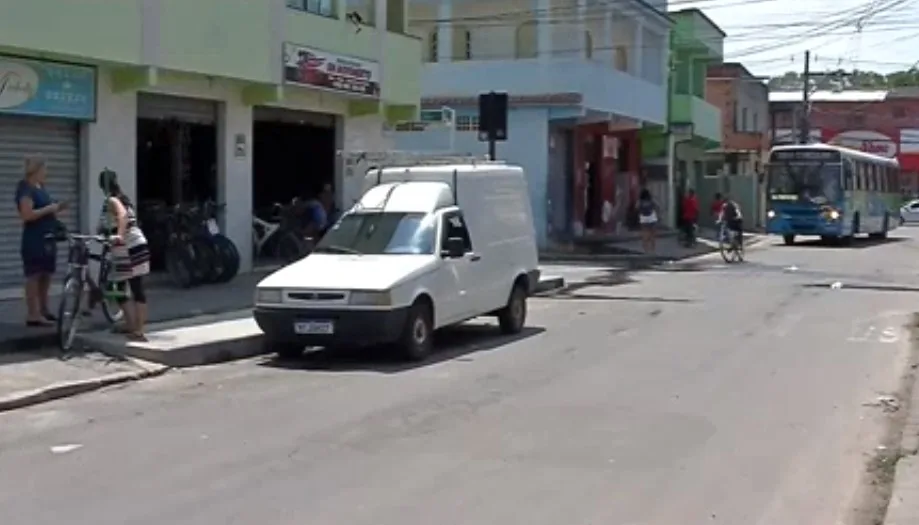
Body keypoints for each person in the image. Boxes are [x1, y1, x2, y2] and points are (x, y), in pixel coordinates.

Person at [98, 169, 151, 341]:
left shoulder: (113, 200)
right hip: (137, 245)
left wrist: (119, 235)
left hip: (128, 247)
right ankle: (136, 327)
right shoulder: (123, 199)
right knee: (133, 286)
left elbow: (122, 217)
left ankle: (134, 326)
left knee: (116, 287)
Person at [16, 156, 67, 327]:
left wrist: (57, 208)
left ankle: (44, 309)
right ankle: (33, 314)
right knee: (34, 275)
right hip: (34, 238)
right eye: (44, 169)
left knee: (46, 274)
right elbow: (27, 215)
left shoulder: (41, 187)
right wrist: (49, 209)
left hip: (47, 237)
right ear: (35, 170)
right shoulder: (26, 188)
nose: (46, 172)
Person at [637, 189, 660, 253]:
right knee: (653, 235)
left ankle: (646, 250)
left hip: (644, 219)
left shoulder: (640, 201)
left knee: (644, 235)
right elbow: (658, 206)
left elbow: (636, 207)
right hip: (652, 218)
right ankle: (653, 250)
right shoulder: (651, 200)